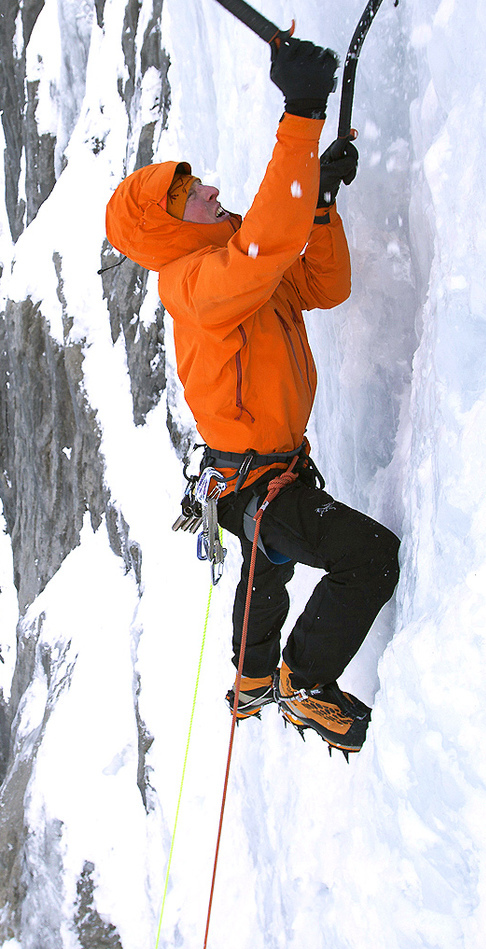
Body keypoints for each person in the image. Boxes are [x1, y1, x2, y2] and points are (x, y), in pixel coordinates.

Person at [104, 39, 400, 754]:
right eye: (189, 195)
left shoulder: (236, 268)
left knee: (266, 557)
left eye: (196, 182)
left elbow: (321, 286)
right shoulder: (199, 282)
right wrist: (301, 115)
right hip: (260, 480)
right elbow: (269, 247)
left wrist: (320, 205)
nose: (209, 189)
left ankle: (255, 673)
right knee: (370, 557)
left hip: (251, 478)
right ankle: (307, 682)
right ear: (173, 226)